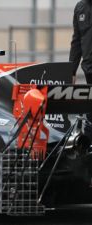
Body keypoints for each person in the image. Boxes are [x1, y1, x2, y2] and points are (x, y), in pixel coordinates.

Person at [69, 0, 92, 137]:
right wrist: (71, 71)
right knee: (89, 120)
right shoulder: (80, 7)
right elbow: (77, 40)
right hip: (89, 71)